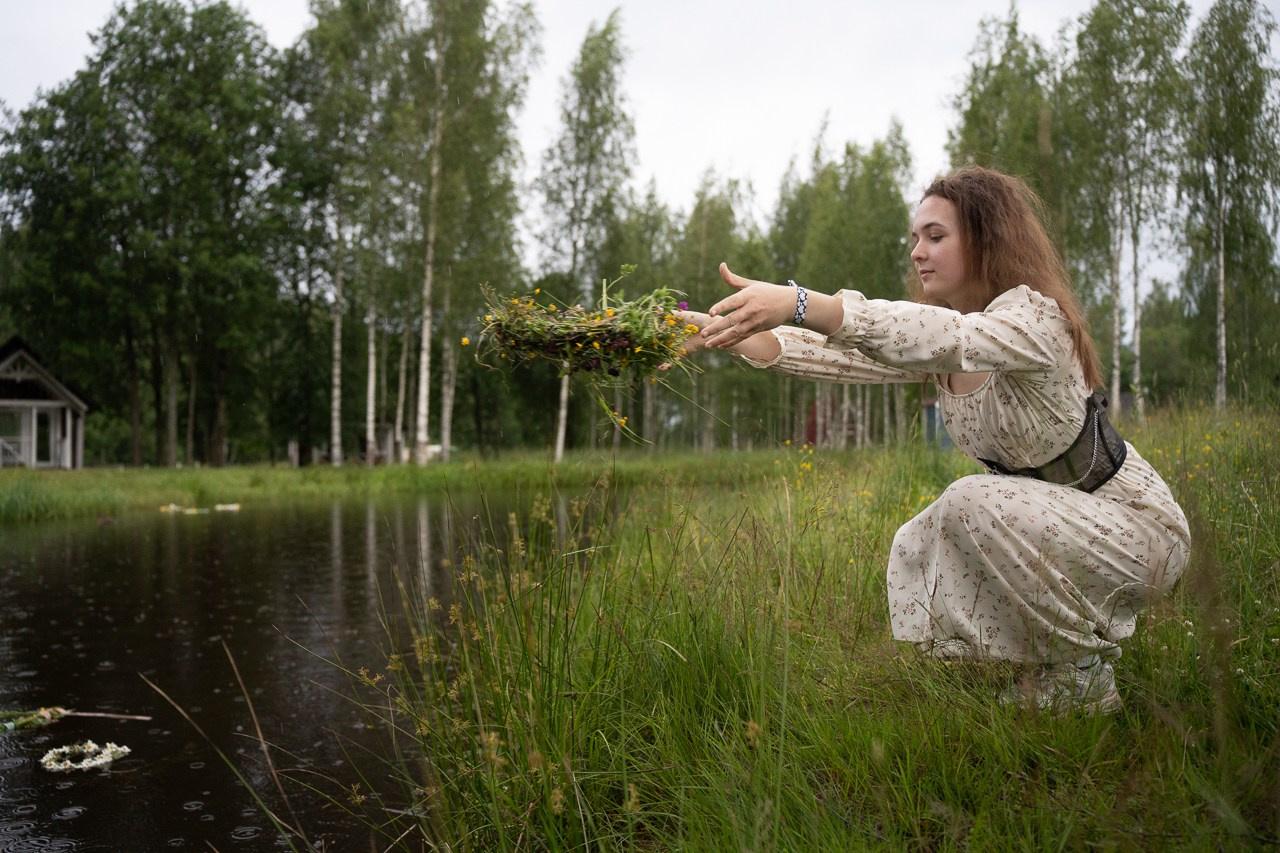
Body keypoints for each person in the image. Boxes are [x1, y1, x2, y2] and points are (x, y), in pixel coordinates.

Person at [681, 166, 1190, 714]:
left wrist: (802, 301)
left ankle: (1084, 681)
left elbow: (941, 336)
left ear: (986, 238)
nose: (917, 252)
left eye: (936, 236)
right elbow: (837, 353)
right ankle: (1032, 668)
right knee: (918, 538)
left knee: (970, 501)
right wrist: (711, 332)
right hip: (1057, 522)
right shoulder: (949, 335)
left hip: (1135, 528)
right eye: (914, 239)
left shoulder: (1033, 318)